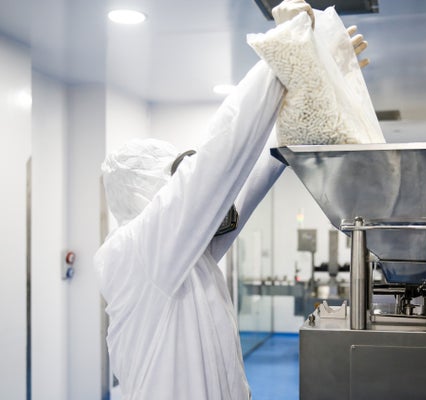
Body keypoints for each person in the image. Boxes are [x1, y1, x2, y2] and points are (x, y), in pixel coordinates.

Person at [94, 1, 368, 398]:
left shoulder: (188, 257)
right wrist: (286, 50)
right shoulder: (140, 251)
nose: (192, 195)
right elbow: (218, 158)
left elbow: (239, 189)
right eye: (175, 184)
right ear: (148, 194)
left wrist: (303, 110)